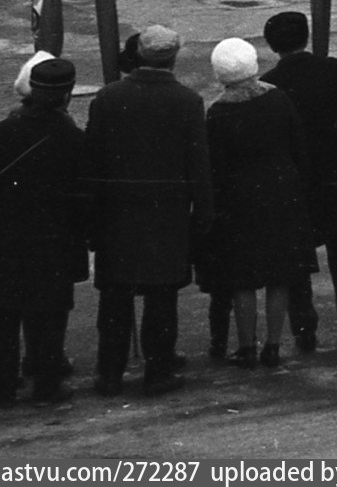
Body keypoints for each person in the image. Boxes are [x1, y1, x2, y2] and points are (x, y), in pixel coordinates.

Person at [86, 25, 212, 397]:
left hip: (117, 216)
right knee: (161, 298)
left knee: (114, 298)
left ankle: (109, 372)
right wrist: (203, 215)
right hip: (166, 216)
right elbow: (198, 166)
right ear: (173, 58)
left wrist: (91, 220)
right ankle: (158, 370)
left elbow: (93, 164)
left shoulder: (108, 98)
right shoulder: (187, 101)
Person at [0, 56, 90, 407]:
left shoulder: (2, 132)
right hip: (55, 241)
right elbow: (82, 196)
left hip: (8, 238)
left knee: (7, 317)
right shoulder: (74, 139)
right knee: (50, 317)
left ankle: (3, 387)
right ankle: (46, 384)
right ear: (67, 94)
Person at [204, 39, 314, 369]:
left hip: (239, 201)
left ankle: (246, 345)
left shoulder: (219, 111)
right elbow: (298, 146)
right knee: (279, 275)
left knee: (244, 279)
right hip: (282, 193)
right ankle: (274, 344)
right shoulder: (277, 98)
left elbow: (215, 166)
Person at [260, 12, 337, 351]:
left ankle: (304, 327)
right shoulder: (335, 70)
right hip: (336, 174)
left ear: (273, 45)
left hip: (297, 180)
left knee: (298, 258)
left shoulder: (270, 82)